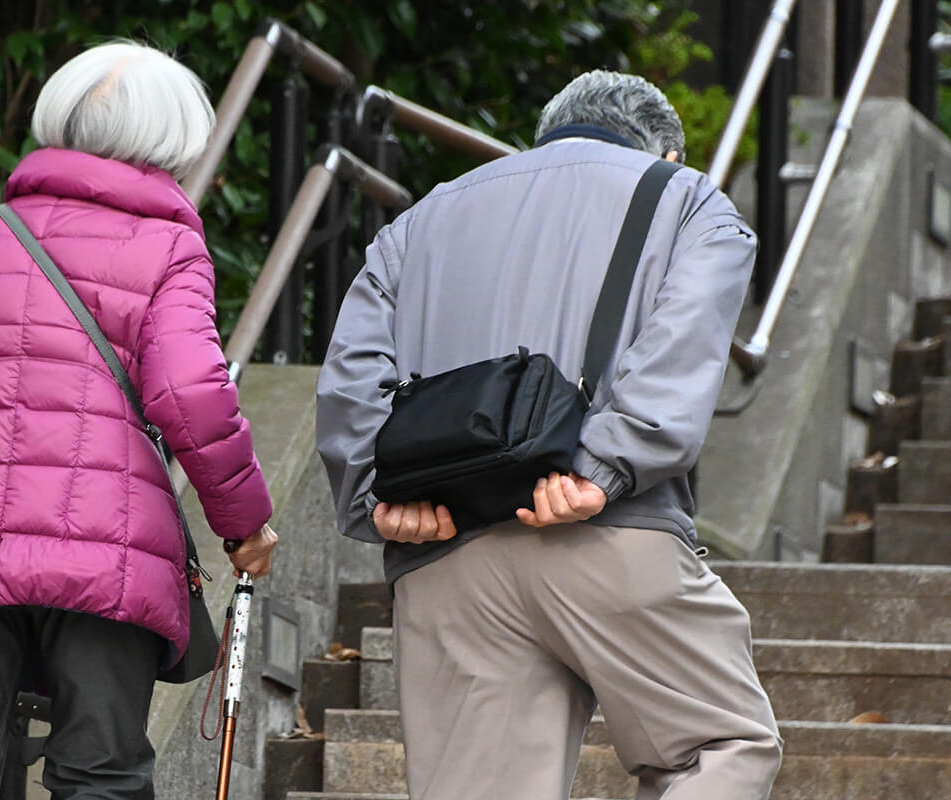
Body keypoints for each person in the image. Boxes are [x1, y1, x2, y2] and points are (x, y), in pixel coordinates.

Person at [0, 41, 278, 799]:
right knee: (100, 778)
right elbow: (192, 391)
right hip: (108, 556)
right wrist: (243, 526)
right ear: (174, 139)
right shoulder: (169, 249)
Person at [316, 70, 782, 800]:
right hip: (603, 531)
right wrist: (603, 466)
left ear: (544, 139)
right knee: (721, 746)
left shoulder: (419, 220)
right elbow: (681, 344)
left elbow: (350, 375)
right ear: (665, 153)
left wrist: (380, 496)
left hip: (445, 553)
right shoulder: (686, 200)